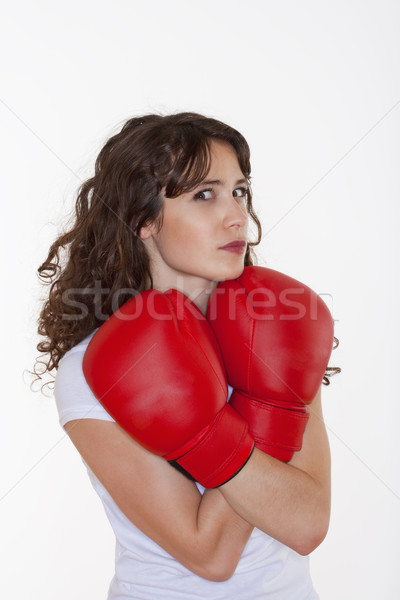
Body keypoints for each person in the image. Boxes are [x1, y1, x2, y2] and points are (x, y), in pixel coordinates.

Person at [33, 112, 340, 599]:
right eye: (204, 194)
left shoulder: (279, 330)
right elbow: (209, 554)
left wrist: (262, 398)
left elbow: (306, 525)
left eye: (239, 190)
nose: (237, 215)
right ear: (142, 220)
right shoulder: (93, 369)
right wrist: (245, 420)